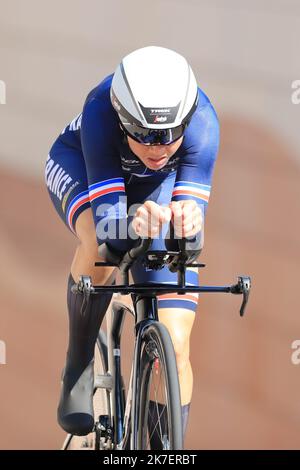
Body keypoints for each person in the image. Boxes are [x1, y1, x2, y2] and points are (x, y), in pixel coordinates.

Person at [45, 45, 219, 447]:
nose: (158, 148)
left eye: (170, 135)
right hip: (84, 168)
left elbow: (188, 242)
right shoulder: (99, 112)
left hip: (154, 192)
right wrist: (129, 221)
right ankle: (78, 361)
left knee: (176, 342)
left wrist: (190, 222)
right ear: (123, 121)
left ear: (187, 121)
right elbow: (111, 229)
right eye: (144, 135)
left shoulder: (205, 122)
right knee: (100, 245)